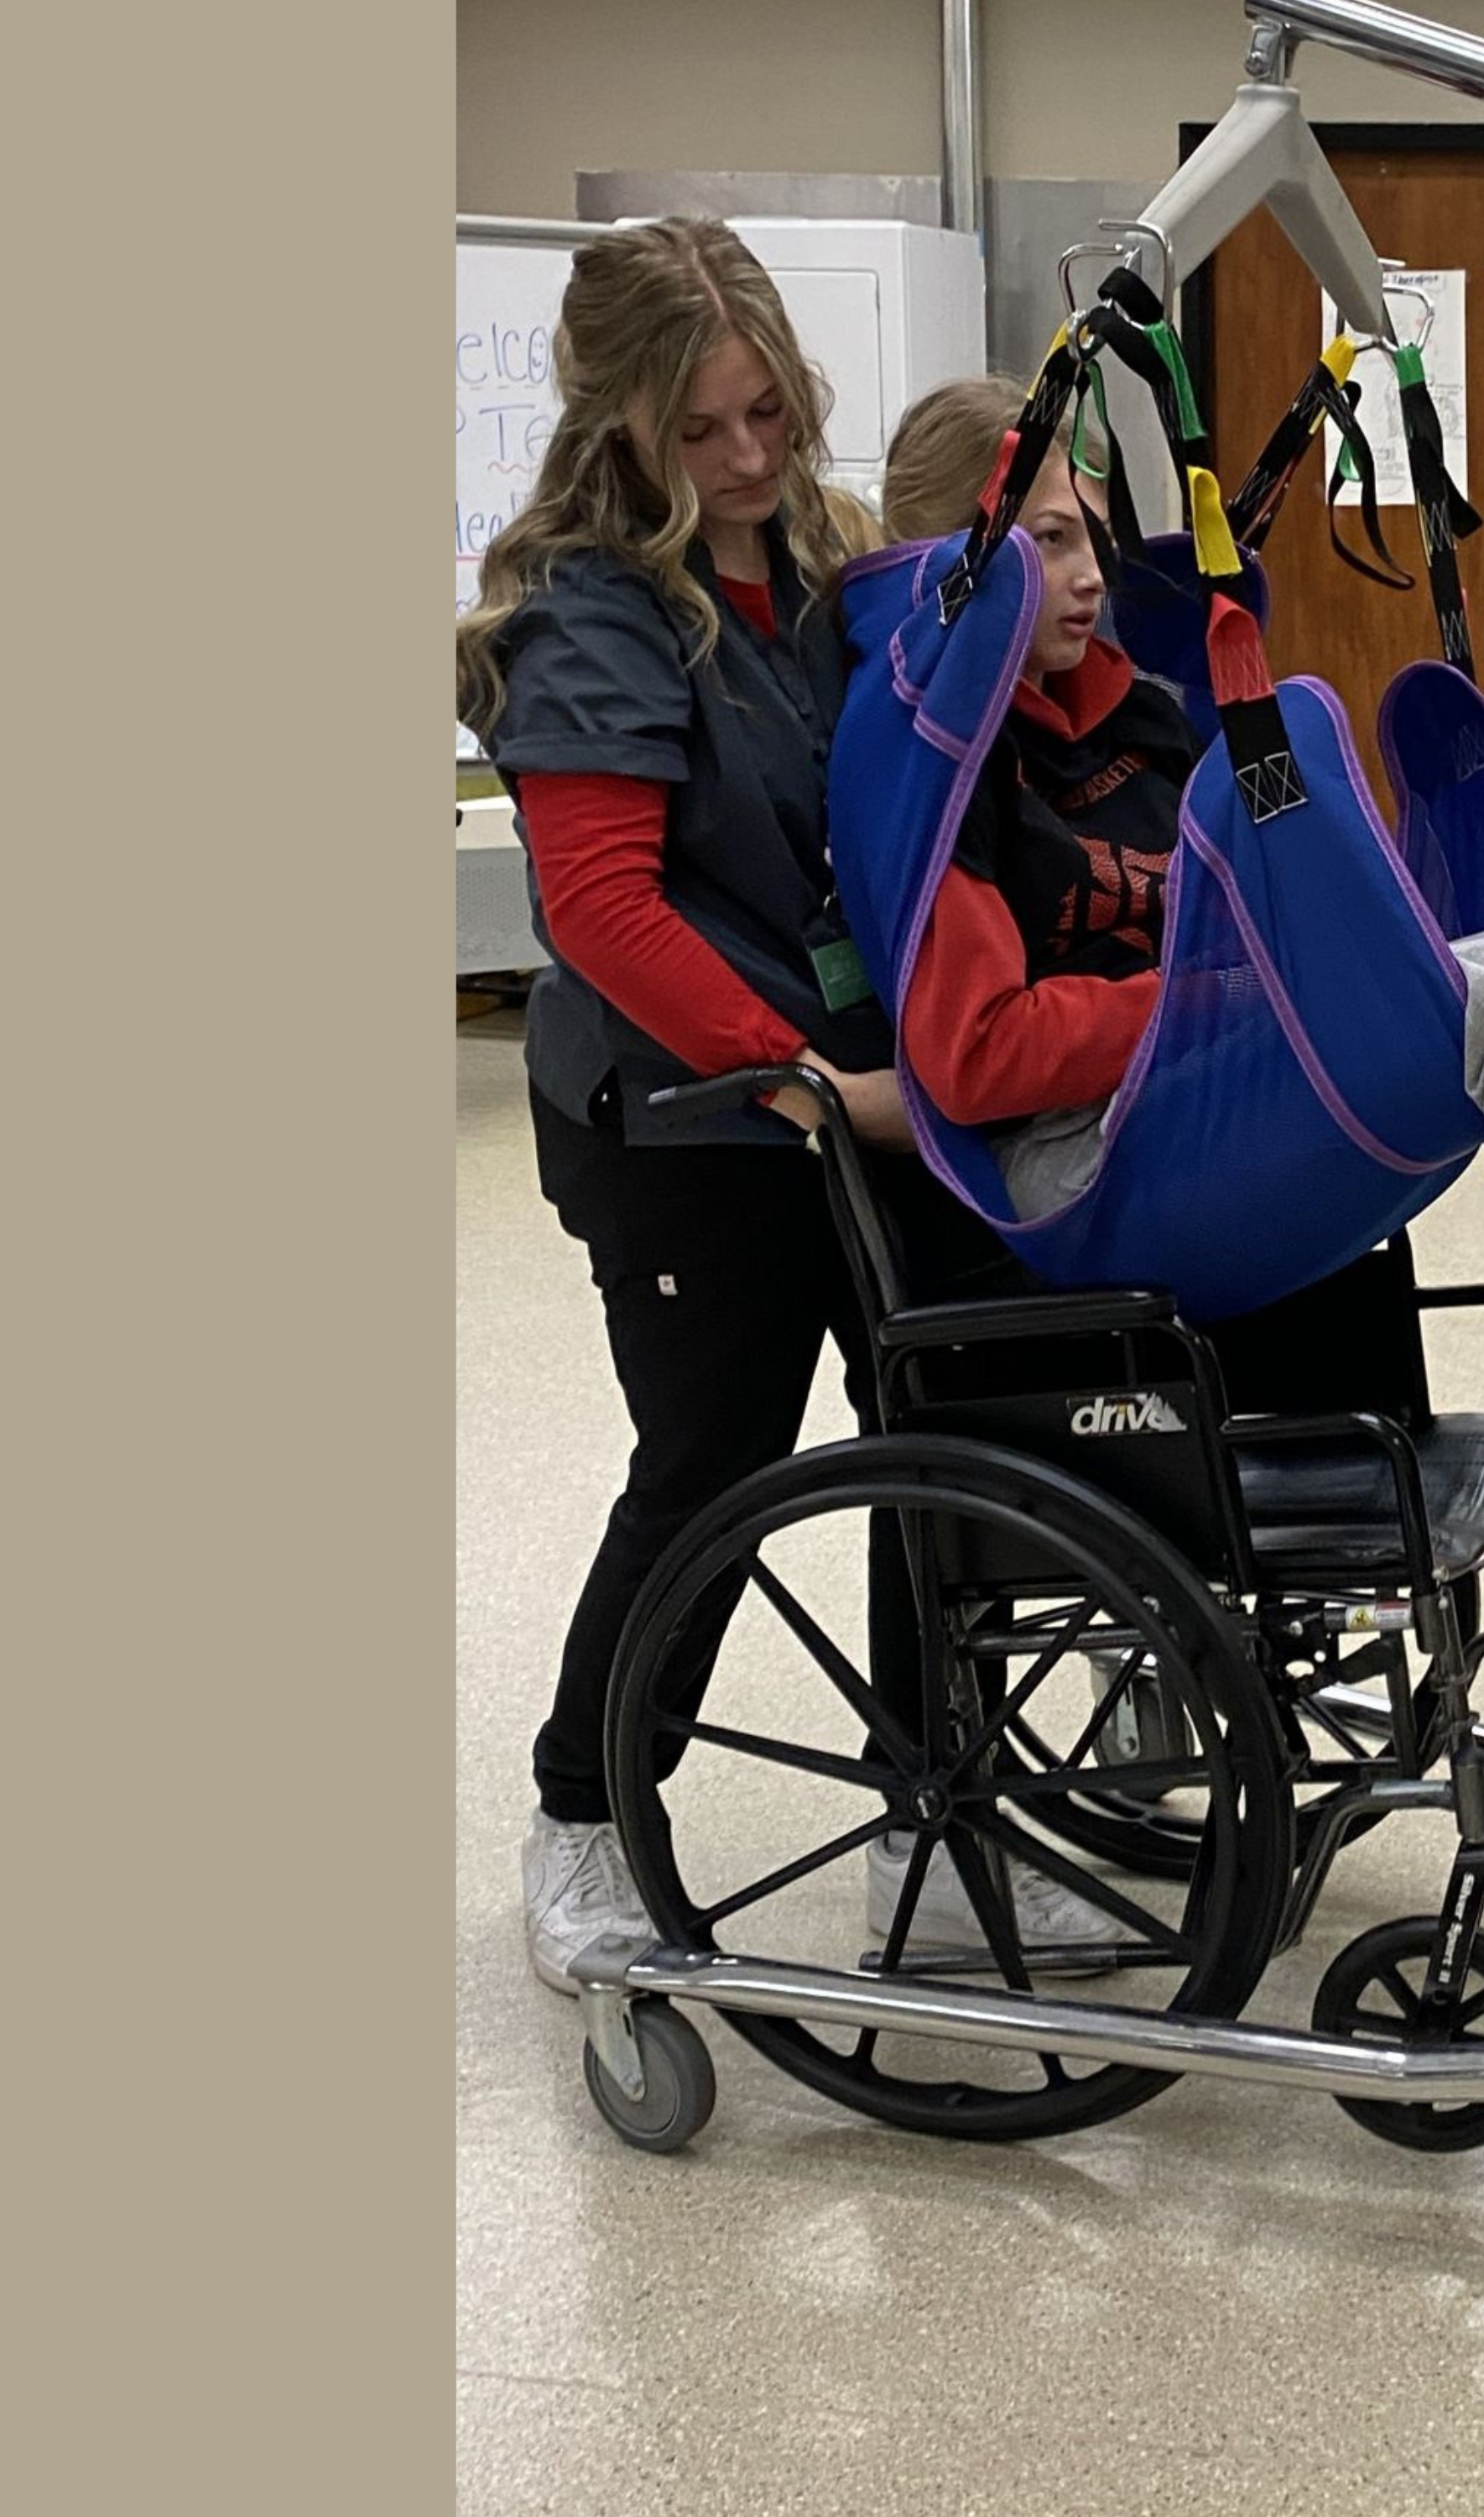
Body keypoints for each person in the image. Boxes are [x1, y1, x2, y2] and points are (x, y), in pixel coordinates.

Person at [872, 374, 1484, 1733]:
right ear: (960, 565)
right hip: (1098, 1168)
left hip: (1217, 1091)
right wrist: (1205, 1005)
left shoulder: (1150, 720)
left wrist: (1274, 980)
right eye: (1046, 542)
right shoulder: (955, 772)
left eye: (1095, 534)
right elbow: (975, 1061)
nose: (1087, 575)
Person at [457, 219, 1010, 1992]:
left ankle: (934, 1820)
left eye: (771, 413)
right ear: (618, 420)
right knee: (716, 1461)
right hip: (688, 1113)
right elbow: (606, 912)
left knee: (942, 1426)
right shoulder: (591, 609)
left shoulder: (827, 566)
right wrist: (809, 1088)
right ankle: (587, 1820)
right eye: (702, 431)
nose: (751, 460)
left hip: (861, 1081)